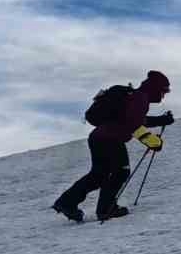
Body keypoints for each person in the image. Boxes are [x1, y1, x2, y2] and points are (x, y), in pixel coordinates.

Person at [53, 70, 174, 222]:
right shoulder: (140, 99)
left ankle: (67, 203)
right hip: (111, 139)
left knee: (98, 175)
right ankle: (106, 209)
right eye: (164, 91)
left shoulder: (135, 96)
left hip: (98, 138)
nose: (163, 96)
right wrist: (153, 142)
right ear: (156, 89)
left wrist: (160, 120)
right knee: (121, 172)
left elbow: (132, 119)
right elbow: (133, 124)